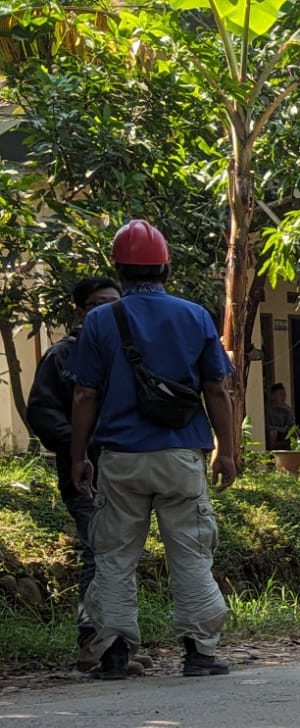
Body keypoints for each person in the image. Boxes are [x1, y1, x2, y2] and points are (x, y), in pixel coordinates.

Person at [68, 218, 237, 681]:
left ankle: (115, 653)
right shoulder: (195, 315)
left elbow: (85, 395)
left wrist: (78, 456)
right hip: (181, 453)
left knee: (115, 556)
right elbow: (217, 389)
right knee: (190, 552)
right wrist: (227, 450)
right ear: (166, 268)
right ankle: (199, 653)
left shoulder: (100, 320)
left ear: (119, 270)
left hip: (119, 457)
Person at [24, 276, 122, 649]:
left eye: (115, 303)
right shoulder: (62, 356)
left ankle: (116, 643)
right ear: (80, 310)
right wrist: (81, 446)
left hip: (124, 472)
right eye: (99, 304)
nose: (108, 310)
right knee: (97, 554)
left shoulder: (122, 353)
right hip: (84, 474)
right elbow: (43, 412)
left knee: (118, 557)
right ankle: (92, 642)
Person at [263, 382, 294, 450]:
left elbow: (291, 425)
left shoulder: (285, 410)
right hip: (273, 434)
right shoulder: (267, 410)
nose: (283, 397)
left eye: (284, 395)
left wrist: (289, 411)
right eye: (280, 395)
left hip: (284, 434)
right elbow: (267, 426)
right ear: (273, 396)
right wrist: (280, 429)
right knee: (273, 433)